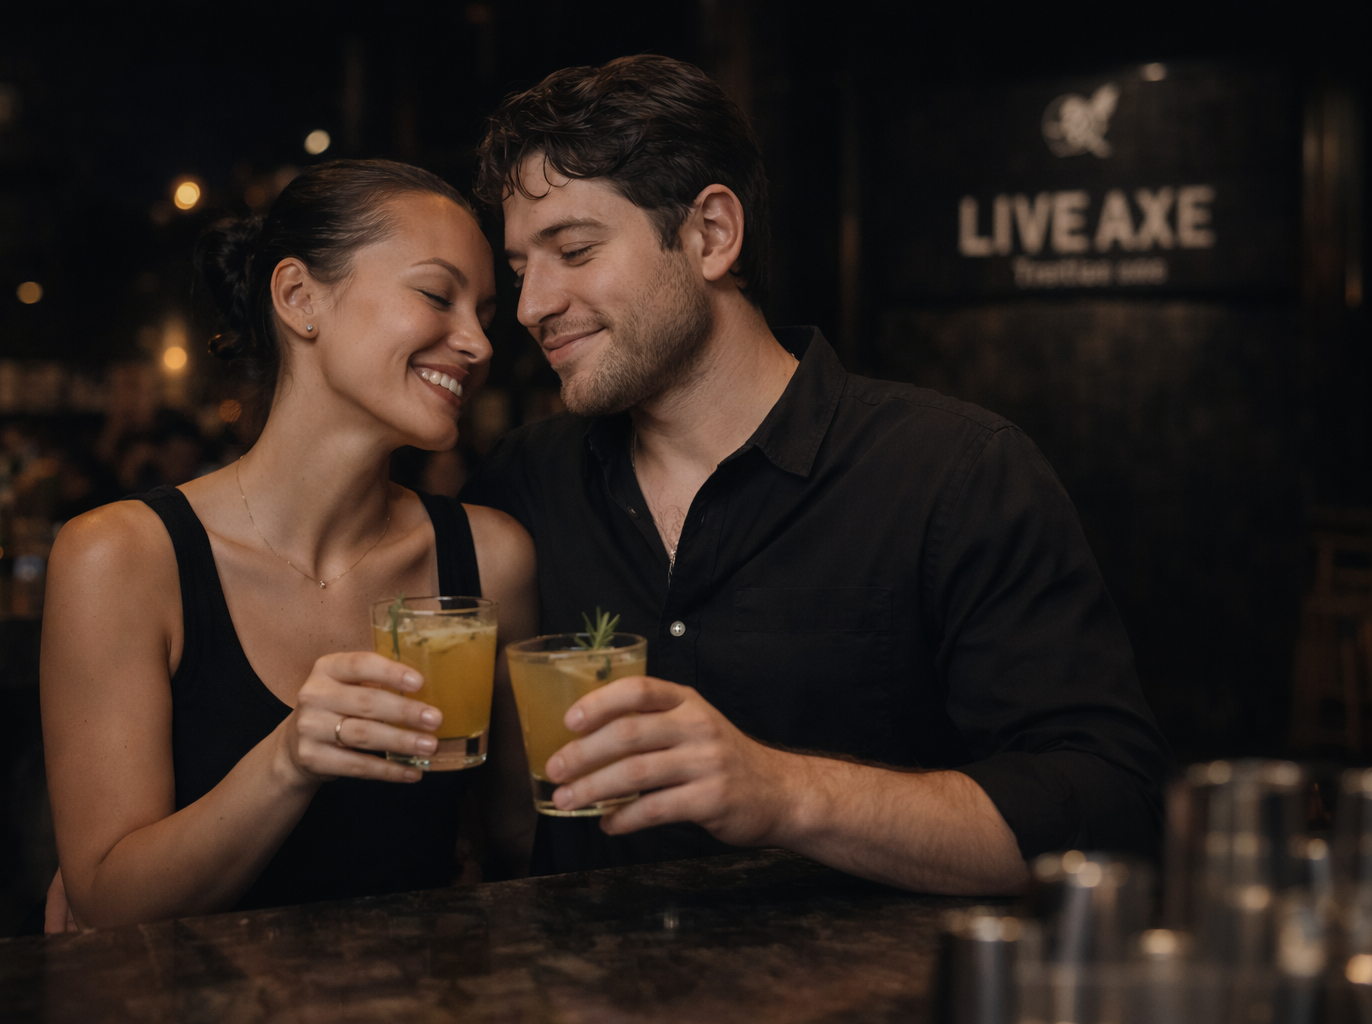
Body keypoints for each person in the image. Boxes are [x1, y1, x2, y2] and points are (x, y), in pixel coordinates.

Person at [462, 55, 1173, 894]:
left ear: (711, 235)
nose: (532, 305)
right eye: (519, 271)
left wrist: (786, 793)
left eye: (573, 250)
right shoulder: (518, 486)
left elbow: (1110, 810)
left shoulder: (954, 473)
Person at [40, 159, 536, 930]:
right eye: (438, 296)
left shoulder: (490, 558)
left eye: (486, 313)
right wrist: (289, 759)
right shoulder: (122, 558)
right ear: (300, 298)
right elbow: (106, 902)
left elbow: (522, 844)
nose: (476, 342)